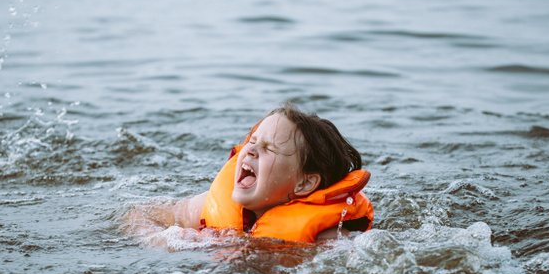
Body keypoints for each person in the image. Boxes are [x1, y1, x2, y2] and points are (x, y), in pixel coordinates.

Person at [126, 103, 373, 244]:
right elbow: (138, 213)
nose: (251, 150)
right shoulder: (208, 207)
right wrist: (160, 240)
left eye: (268, 148)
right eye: (252, 141)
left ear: (304, 184)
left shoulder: (326, 236)